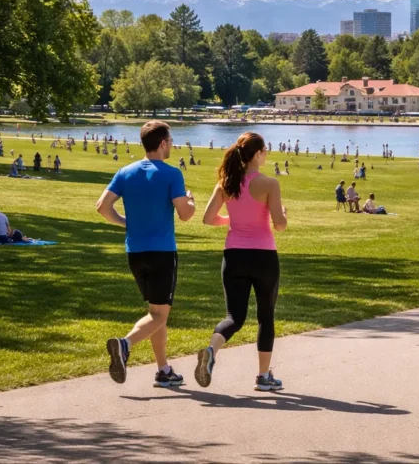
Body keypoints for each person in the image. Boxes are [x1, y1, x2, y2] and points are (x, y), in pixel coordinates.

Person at [97, 120, 196, 388]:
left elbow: (103, 207)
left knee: (155, 311)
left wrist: (125, 222)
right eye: (171, 140)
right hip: (162, 252)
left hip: (135, 252)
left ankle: (163, 370)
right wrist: (191, 201)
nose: (172, 144)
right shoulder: (171, 174)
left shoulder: (125, 172)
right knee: (159, 315)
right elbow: (185, 215)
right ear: (162, 143)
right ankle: (124, 345)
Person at [196, 132, 287, 392]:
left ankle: (211, 350)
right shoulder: (269, 184)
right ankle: (263, 377)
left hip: (233, 255)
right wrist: (283, 217)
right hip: (263, 256)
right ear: (257, 154)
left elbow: (208, 218)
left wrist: (234, 221)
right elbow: (279, 225)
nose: (266, 155)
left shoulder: (225, 183)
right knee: (265, 317)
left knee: (234, 317)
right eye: (265, 151)